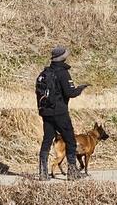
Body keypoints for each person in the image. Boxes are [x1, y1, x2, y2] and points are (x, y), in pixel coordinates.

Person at [37, 46, 89, 181]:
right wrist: (80, 88)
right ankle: (72, 172)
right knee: (70, 141)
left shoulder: (45, 72)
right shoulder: (63, 73)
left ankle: (43, 173)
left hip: (46, 112)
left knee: (47, 140)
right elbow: (70, 93)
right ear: (63, 57)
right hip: (60, 112)